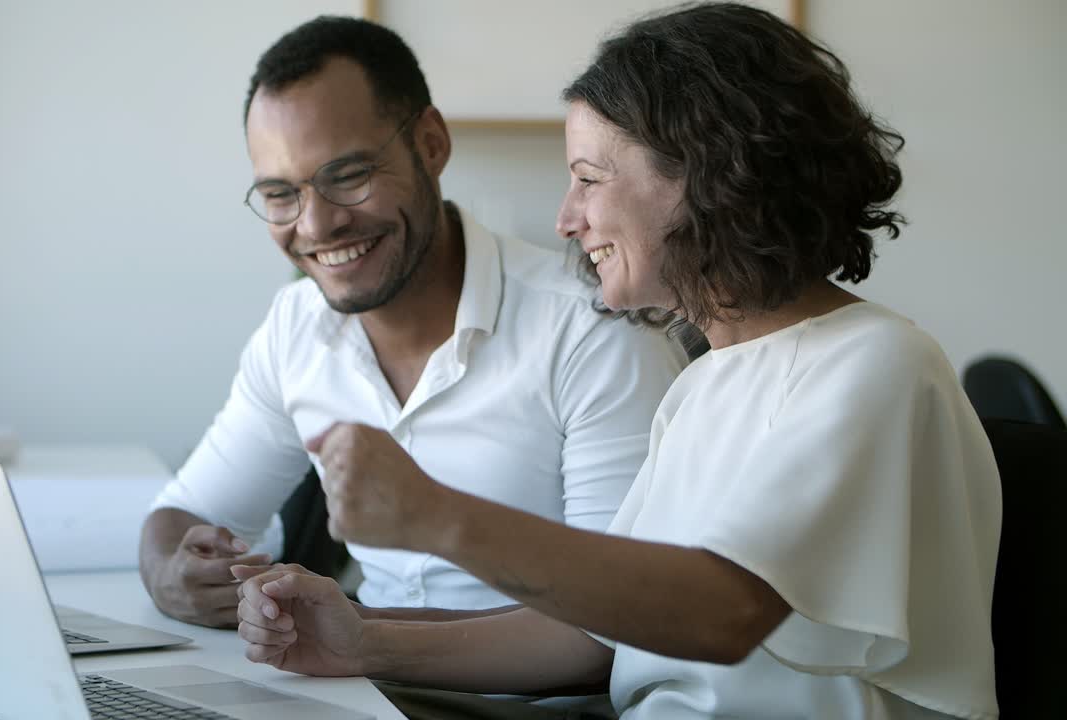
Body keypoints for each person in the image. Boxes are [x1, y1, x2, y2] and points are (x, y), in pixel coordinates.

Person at [232, 4, 1002, 719]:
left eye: (590, 180)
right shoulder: (705, 381)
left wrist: (437, 516)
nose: (567, 219)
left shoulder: (877, 366)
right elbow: (593, 636)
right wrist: (361, 639)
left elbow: (723, 612)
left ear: (709, 173)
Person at [138, 16, 688, 630]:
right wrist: (172, 575)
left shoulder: (594, 330)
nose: (316, 226)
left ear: (430, 144)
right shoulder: (296, 327)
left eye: (347, 177)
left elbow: (616, 624)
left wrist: (362, 641)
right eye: (279, 194)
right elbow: (184, 513)